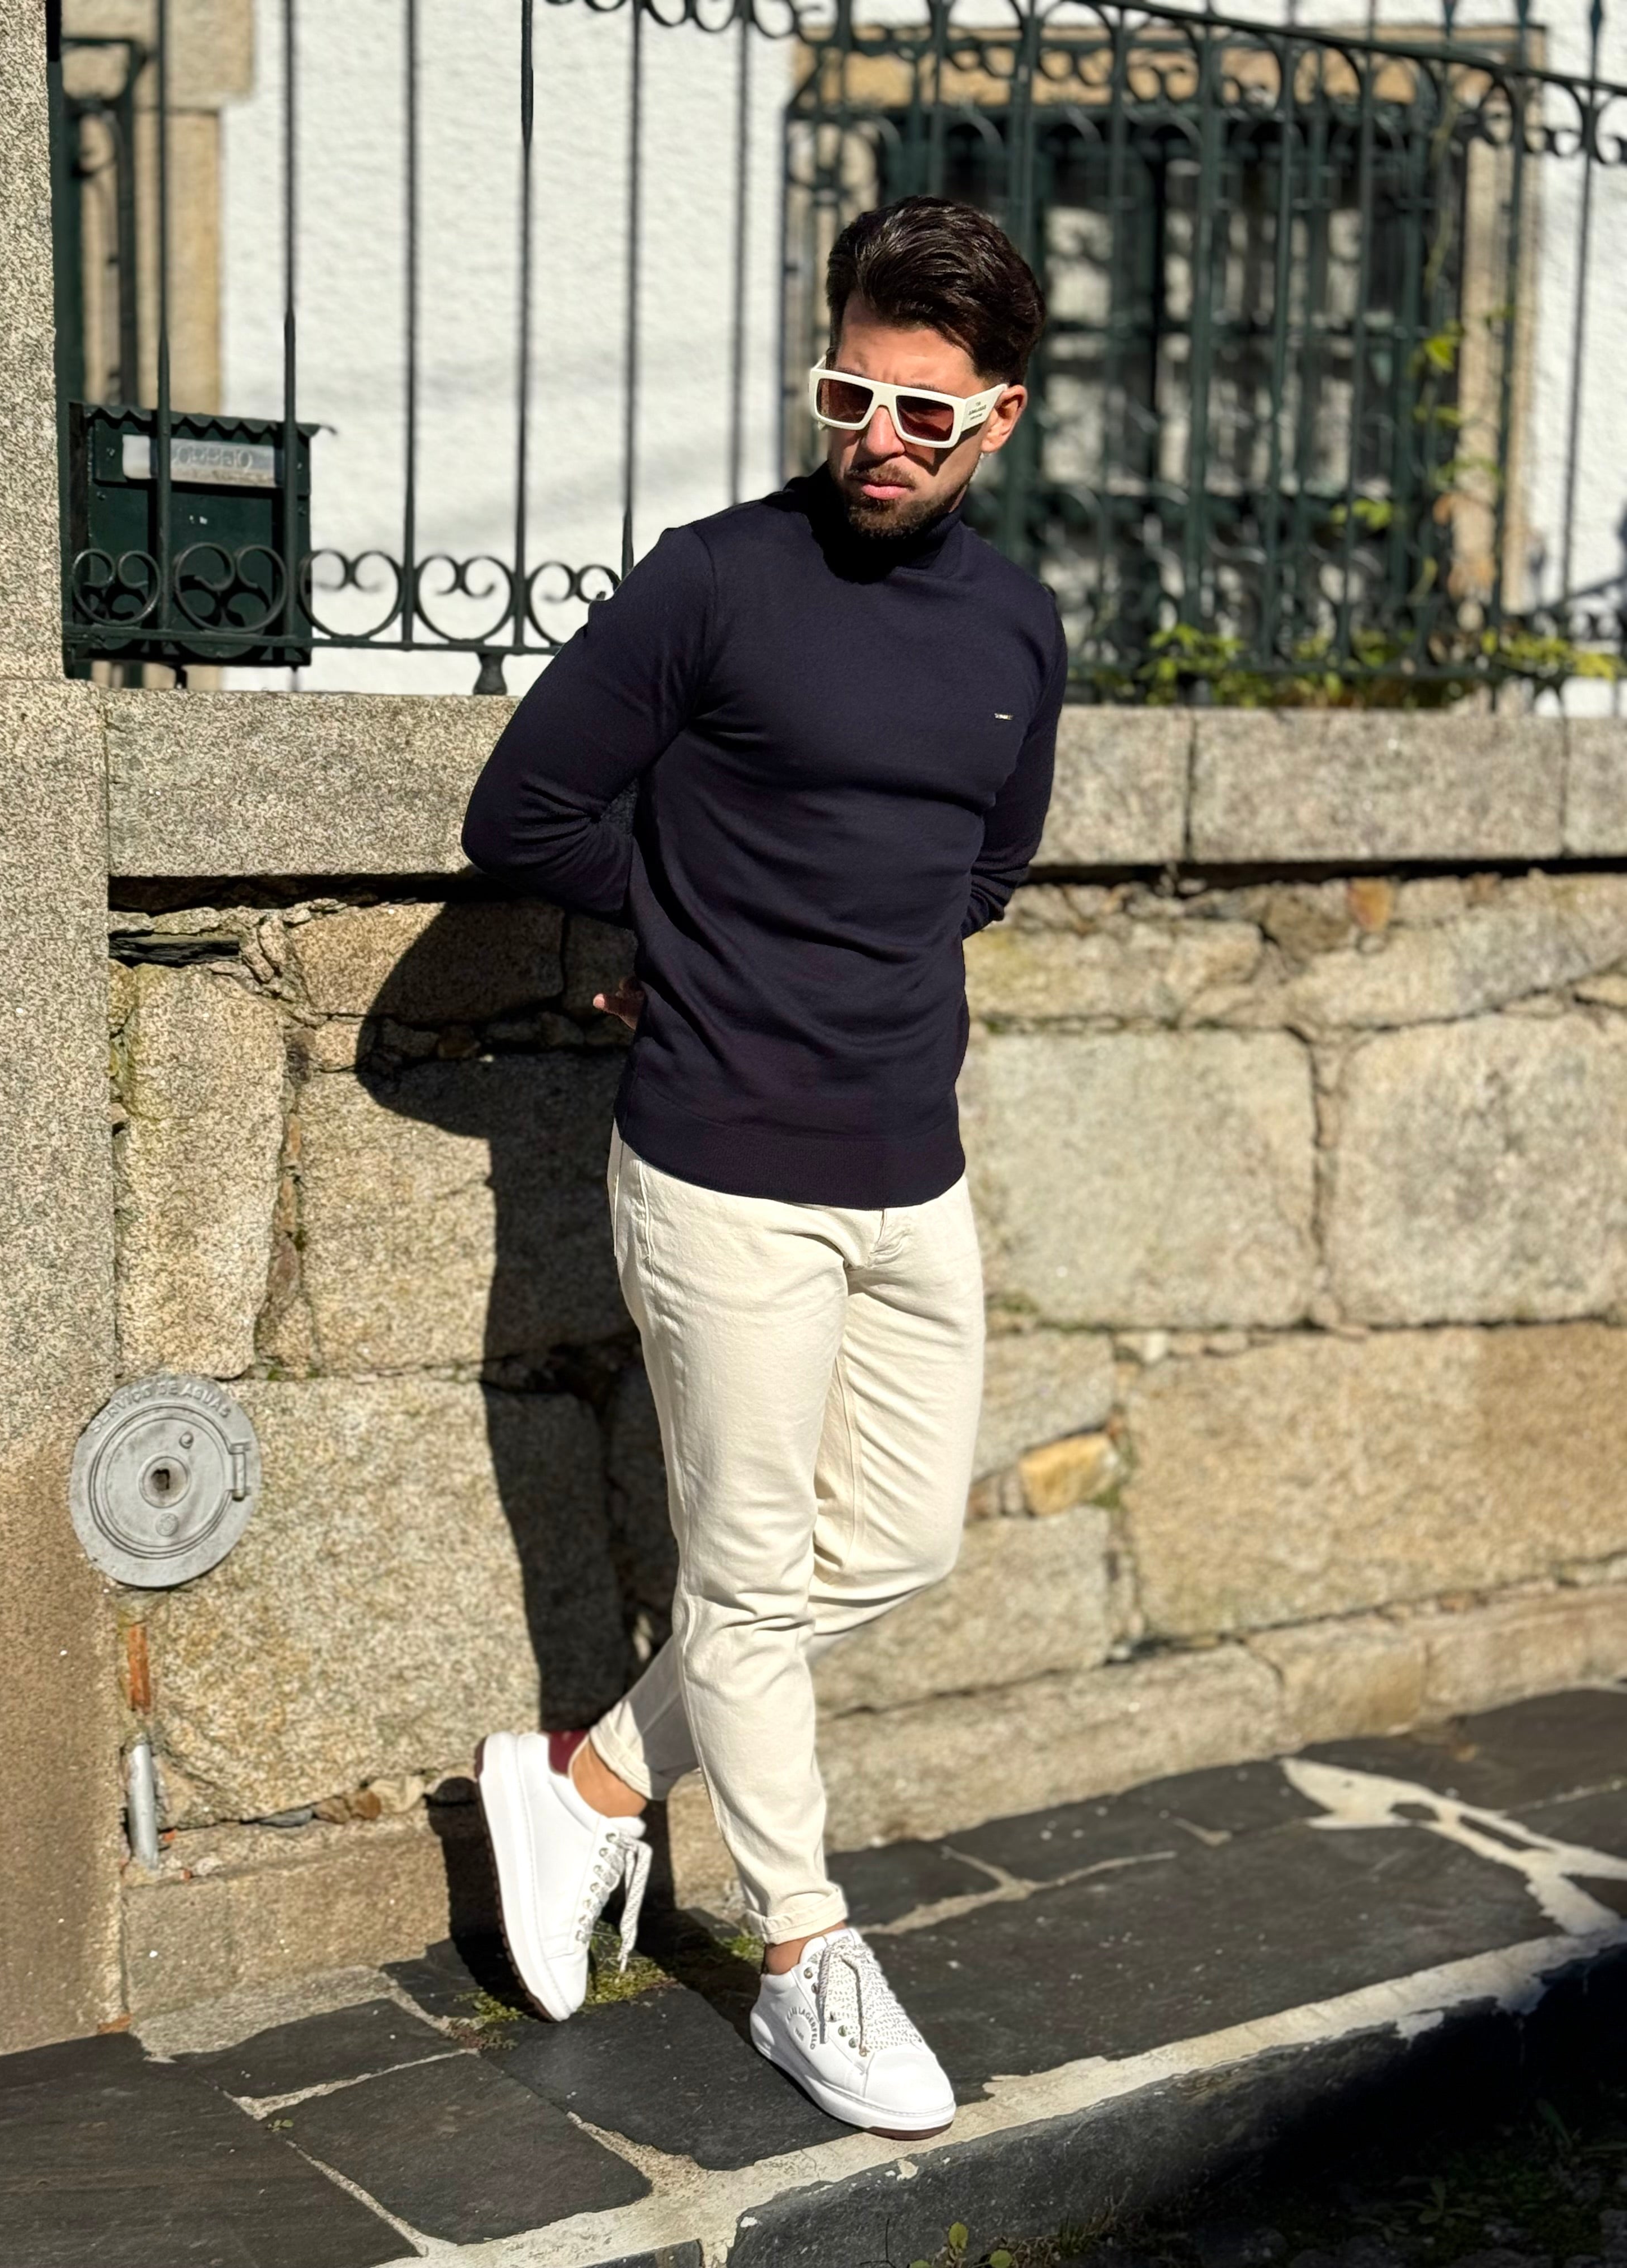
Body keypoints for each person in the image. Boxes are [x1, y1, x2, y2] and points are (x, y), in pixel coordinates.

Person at [460, 195, 1065, 2140]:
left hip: (912, 1164)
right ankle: (803, 1949)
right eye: (848, 395)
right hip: (720, 1162)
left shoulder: (1018, 627)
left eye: (923, 412)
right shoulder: (715, 581)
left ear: (1000, 419)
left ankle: (585, 1784)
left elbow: (985, 863)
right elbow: (524, 810)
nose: (878, 438)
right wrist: (691, 926)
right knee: (743, 1571)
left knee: (895, 1545)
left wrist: (830, 953)